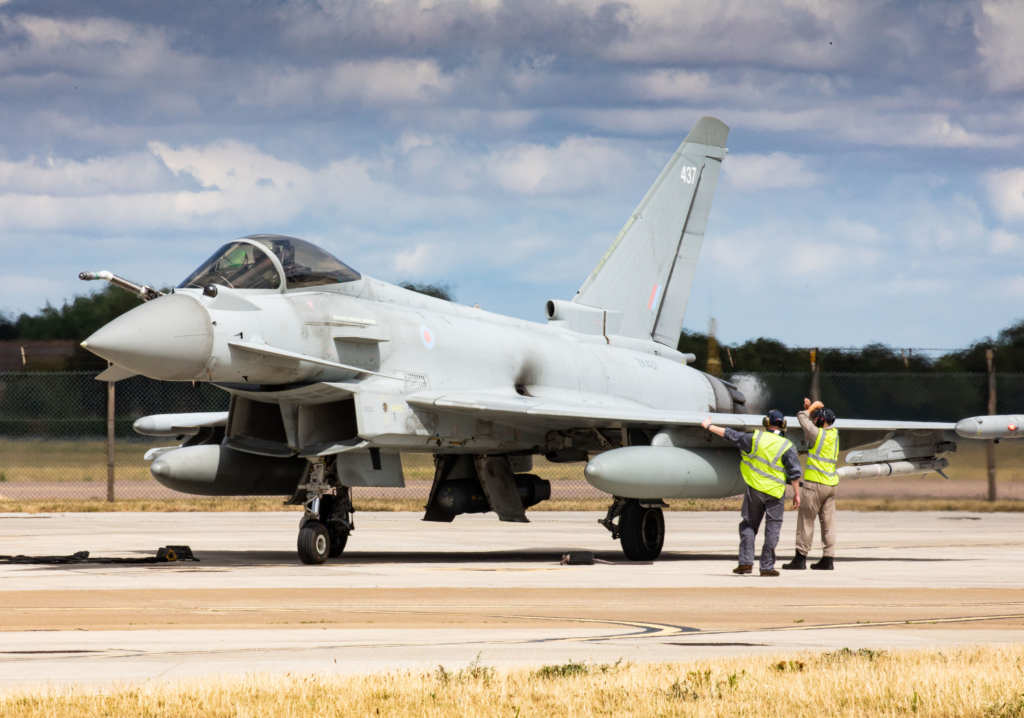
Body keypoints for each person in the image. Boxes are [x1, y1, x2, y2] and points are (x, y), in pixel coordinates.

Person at [701, 410, 802, 576]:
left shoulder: (755, 438)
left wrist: (708, 426)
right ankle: (767, 567)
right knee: (772, 529)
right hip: (775, 493)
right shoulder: (787, 446)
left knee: (749, 524)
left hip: (755, 490)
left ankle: (746, 562)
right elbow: (795, 473)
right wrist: (797, 495)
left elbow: (730, 434)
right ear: (782, 424)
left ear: (766, 421)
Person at [782, 399, 839, 571]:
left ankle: (800, 559)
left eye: (816, 419)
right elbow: (810, 422)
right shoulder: (834, 434)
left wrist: (810, 408)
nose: (814, 420)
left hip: (814, 485)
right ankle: (828, 559)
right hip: (831, 486)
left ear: (821, 421)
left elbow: (801, 417)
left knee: (806, 522)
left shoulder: (818, 434)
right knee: (828, 524)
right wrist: (812, 410)